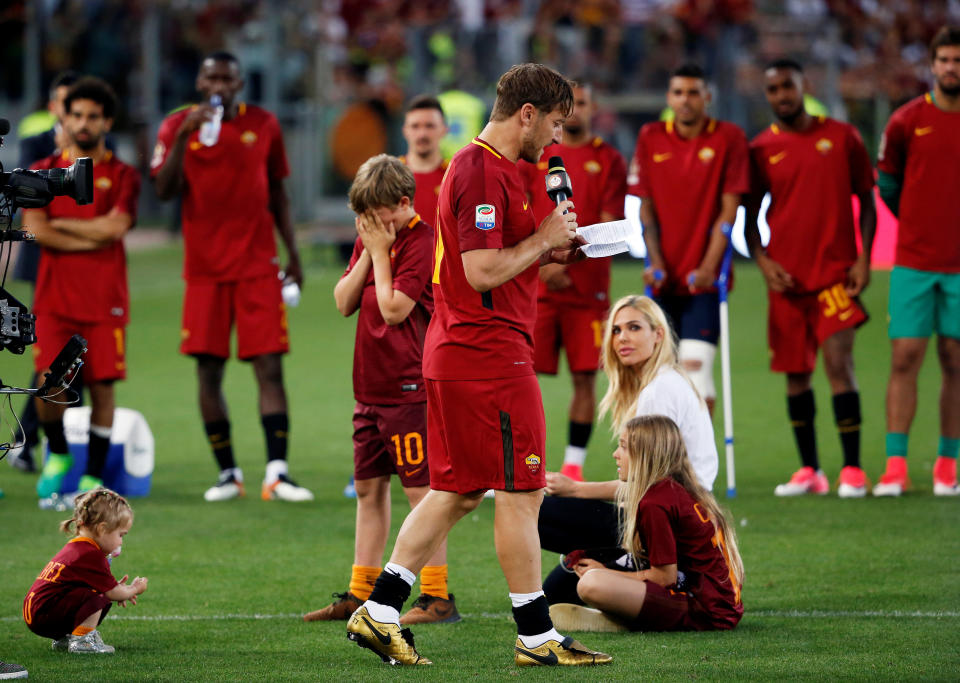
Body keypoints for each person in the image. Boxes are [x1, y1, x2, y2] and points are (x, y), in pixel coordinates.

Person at [344, 63, 610, 667]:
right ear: (527, 114)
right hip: (486, 355)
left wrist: (552, 248)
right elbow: (480, 272)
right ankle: (536, 636)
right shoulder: (482, 170)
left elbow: (495, 267)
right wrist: (542, 240)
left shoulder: (497, 170)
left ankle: (379, 610)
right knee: (522, 491)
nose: (558, 138)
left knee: (457, 492)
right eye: (556, 123)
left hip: (468, 350)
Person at [151, 52, 312, 503]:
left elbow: (278, 192)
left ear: (239, 82)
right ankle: (228, 474)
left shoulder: (263, 124)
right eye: (211, 76)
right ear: (199, 82)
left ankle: (277, 473)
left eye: (227, 76)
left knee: (270, 367)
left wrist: (291, 252)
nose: (219, 83)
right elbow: (163, 189)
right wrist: (185, 136)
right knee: (208, 371)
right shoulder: (176, 125)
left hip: (257, 265)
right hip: (204, 271)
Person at [305, 155, 459, 624]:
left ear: (404, 203)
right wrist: (371, 247)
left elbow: (394, 309)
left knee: (420, 494)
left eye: (377, 215)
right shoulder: (375, 237)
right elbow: (342, 301)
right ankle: (359, 591)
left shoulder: (420, 241)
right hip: (369, 387)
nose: (370, 225)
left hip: (409, 386)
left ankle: (437, 597)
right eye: (364, 218)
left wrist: (377, 253)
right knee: (369, 491)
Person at [746, 59, 876, 498]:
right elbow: (749, 218)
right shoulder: (761, 148)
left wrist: (863, 259)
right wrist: (763, 262)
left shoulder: (842, 137)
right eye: (773, 89)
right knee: (795, 375)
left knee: (840, 367)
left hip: (835, 277)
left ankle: (853, 470)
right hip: (787, 282)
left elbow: (868, 200)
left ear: (805, 85)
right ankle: (810, 471)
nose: (781, 95)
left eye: (788, 86)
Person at [538, 294, 718, 605]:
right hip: (680, 516)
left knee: (537, 512)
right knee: (558, 589)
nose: (623, 338)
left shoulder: (659, 392)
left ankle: (644, 564)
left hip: (673, 525)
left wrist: (575, 489)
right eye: (617, 330)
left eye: (634, 328)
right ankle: (618, 561)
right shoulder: (663, 382)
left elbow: (649, 490)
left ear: (658, 334)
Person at [24, 77, 140, 500]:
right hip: (55, 300)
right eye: (76, 115)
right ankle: (57, 452)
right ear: (64, 117)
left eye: (93, 116)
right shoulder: (39, 173)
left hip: (106, 300)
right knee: (48, 384)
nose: (84, 123)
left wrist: (64, 227)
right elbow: (37, 232)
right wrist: (92, 233)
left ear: (107, 120)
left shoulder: (123, 174)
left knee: (103, 387)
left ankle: (92, 475)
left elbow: (117, 226)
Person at [519, 83, 627, 482]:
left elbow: (609, 222)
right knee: (521, 375)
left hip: (587, 290)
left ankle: (572, 466)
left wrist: (566, 260)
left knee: (585, 377)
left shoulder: (609, 159)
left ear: (593, 107)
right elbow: (524, 214)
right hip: (539, 289)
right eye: (568, 106)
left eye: (581, 103)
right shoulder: (535, 157)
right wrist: (542, 260)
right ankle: (525, 460)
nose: (575, 111)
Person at [628, 63, 750, 416]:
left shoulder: (728, 138)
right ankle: (665, 464)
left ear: (707, 97)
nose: (685, 100)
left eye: (693, 92)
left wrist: (710, 267)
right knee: (658, 377)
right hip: (663, 280)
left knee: (696, 371)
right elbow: (645, 209)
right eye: (678, 92)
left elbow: (729, 212)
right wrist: (654, 263)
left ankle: (697, 466)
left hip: (704, 284)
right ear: (669, 97)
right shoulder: (650, 136)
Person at [874, 26, 960, 497]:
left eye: (958, 60)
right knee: (905, 357)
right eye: (945, 59)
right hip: (914, 261)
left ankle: (948, 465)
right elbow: (887, 183)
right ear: (932, 64)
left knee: (955, 360)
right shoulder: (907, 121)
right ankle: (895, 466)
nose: (951, 68)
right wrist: (920, 218)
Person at [557, 415, 743, 632]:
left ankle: (629, 618)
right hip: (716, 601)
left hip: (708, 612)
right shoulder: (673, 487)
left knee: (591, 583)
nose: (615, 454)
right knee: (596, 573)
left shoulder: (656, 501)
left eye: (624, 447)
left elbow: (664, 577)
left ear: (645, 454)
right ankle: (629, 610)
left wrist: (606, 572)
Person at [8, 70, 86, 475]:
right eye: (63, 101)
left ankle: (44, 444)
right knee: (57, 356)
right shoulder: (38, 142)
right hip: (47, 264)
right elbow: (26, 195)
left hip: (87, 269)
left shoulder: (95, 149)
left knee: (77, 357)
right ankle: (34, 442)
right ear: (54, 106)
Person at [23, 487, 148, 653]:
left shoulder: (78, 547)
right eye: (121, 535)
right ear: (102, 529)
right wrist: (134, 589)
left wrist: (115, 589)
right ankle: (83, 640)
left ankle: (65, 638)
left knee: (98, 591)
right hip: (44, 614)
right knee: (98, 595)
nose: (121, 542)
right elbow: (111, 593)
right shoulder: (91, 553)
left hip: (39, 612)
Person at [400, 95, 449, 223]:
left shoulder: (457, 177)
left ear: (444, 130)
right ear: (405, 131)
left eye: (430, 126)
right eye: (415, 126)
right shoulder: (387, 177)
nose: (422, 134)